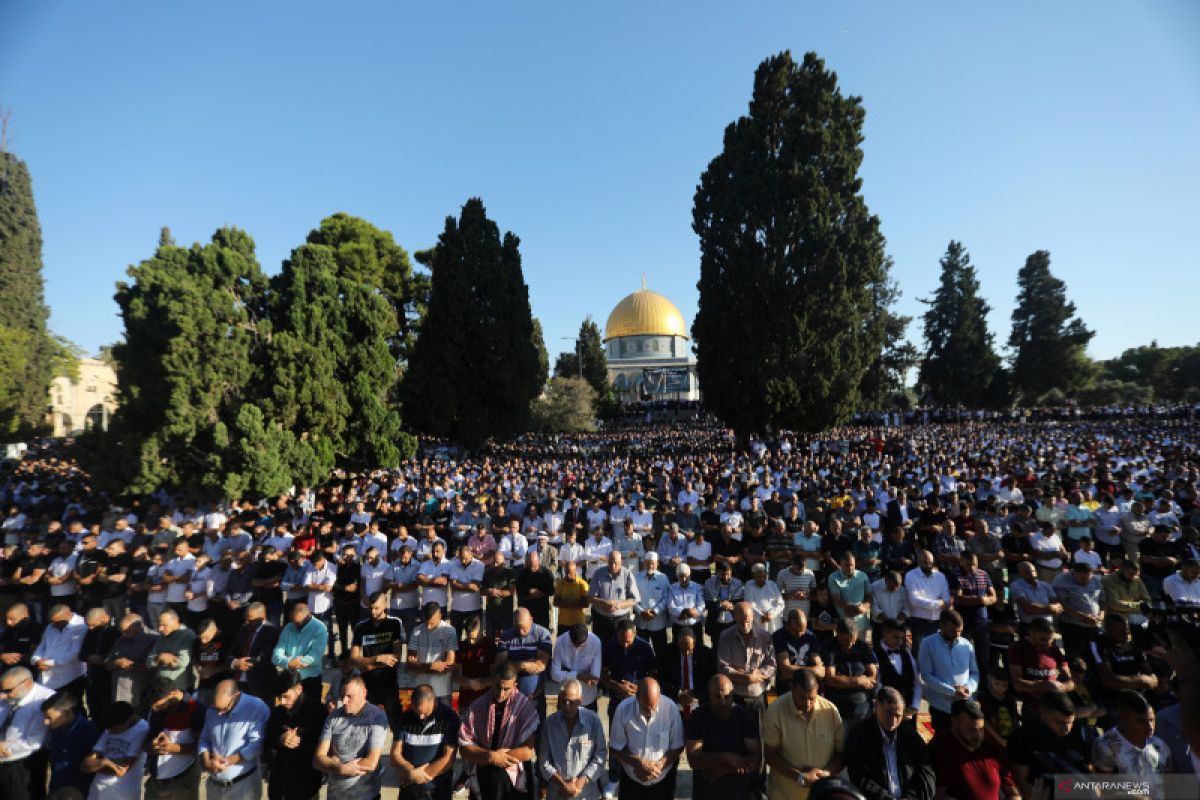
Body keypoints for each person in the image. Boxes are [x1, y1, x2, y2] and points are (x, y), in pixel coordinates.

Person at [458, 662, 540, 800]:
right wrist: (490, 756)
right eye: (497, 687)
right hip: (484, 768)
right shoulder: (477, 707)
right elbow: (464, 749)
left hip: (514, 772)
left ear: (515, 686)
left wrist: (499, 757)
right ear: (492, 681)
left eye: (506, 689)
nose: (501, 693)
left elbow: (527, 752)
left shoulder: (524, 707)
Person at [761, 669, 845, 800]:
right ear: (792, 688)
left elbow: (841, 754)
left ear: (818, 689)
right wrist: (799, 776)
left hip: (821, 795)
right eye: (802, 697)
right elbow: (769, 755)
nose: (807, 704)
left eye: (811, 698)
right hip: (784, 796)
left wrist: (825, 774)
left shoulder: (831, 711)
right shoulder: (775, 711)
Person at [845, 687, 935, 800]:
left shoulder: (911, 737)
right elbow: (859, 777)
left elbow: (926, 773)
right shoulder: (859, 736)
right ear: (876, 707)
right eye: (888, 713)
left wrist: (910, 797)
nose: (893, 721)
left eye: (898, 716)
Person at [683, 675, 760, 800]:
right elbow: (693, 759)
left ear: (732, 695)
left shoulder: (744, 717)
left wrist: (724, 769)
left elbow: (755, 760)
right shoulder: (697, 717)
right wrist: (726, 757)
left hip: (738, 793)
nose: (723, 702)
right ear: (709, 695)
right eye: (718, 697)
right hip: (706, 793)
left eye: (727, 697)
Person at [314, 674, 389, 800]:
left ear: (364, 693)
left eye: (349, 696)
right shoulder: (333, 717)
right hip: (335, 796)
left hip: (366, 796)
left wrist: (331, 763)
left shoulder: (376, 717)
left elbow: (371, 762)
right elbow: (318, 759)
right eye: (342, 696)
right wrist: (340, 768)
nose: (344, 701)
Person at [1006, 690, 1093, 799]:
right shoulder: (1023, 738)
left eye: (1070, 722)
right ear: (1043, 714)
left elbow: (1089, 773)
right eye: (1060, 722)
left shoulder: (1079, 732)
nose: (1067, 728)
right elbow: (1022, 783)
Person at [609, 677, 685, 800]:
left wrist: (660, 765)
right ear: (637, 697)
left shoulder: (671, 708)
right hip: (631, 781)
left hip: (662, 781)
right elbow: (614, 748)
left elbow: (678, 746)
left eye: (654, 707)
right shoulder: (623, 709)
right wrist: (637, 763)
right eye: (645, 708)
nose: (650, 711)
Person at [929, 699, 1020, 800]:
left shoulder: (991, 748)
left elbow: (1013, 794)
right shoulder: (940, 748)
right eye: (971, 730)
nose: (978, 736)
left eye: (981, 729)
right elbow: (935, 794)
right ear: (955, 723)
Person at [198, 678, 271, 800]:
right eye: (217, 709)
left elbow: (257, 745)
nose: (219, 714)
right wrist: (206, 760)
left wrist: (227, 761)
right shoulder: (213, 708)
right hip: (214, 786)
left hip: (243, 786)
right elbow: (204, 739)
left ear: (236, 695)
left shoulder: (256, 707)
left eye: (224, 709)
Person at [538, 679, 608, 800]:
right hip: (557, 793)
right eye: (563, 701)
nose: (567, 706)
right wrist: (563, 785)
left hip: (587, 794)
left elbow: (600, 756)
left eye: (571, 701)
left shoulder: (593, 721)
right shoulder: (549, 723)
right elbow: (543, 761)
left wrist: (579, 784)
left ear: (580, 700)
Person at [390, 683, 460, 800]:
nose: (421, 717)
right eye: (417, 712)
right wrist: (410, 772)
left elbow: (448, 758)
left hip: (437, 791)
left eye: (425, 713)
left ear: (433, 702)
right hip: (409, 792)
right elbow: (395, 754)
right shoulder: (405, 718)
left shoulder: (450, 719)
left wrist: (417, 777)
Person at [262, 672, 326, 800]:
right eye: (280, 697)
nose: (283, 702)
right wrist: (280, 739)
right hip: (278, 786)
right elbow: (266, 744)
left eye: (286, 696)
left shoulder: (318, 711)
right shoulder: (277, 712)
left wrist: (298, 743)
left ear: (299, 689)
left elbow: (324, 750)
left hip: (305, 786)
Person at [917, 609, 978, 733]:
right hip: (940, 706)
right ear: (941, 625)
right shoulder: (928, 644)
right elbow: (926, 675)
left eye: (960, 631)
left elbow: (974, 672)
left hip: (964, 703)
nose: (957, 635)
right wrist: (952, 691)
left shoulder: (966, 645)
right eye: (953, 631)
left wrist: (968, 689)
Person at [143, 677, 205, 800]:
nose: (155, 710)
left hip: (183, 781)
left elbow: (203, 746)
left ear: (172, 694)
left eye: (158, 706)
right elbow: (145, 742)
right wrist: (151, 746)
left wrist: (173, 748)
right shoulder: (154, 710)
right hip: (155, 780)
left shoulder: (195, 709)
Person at [1091, 689, 1173, 780]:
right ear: (1125, 719)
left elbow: (1171, 781)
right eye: (1142, 721)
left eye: (1152, 720)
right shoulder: (1106, 746)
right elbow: (1105, 786)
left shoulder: (1159, 744)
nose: (1150, 727)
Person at [80, 700, 150, 799]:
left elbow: (122, 768)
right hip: (97, 791)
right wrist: (104, 762)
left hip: (122, 793)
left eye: (116, 730)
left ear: (129, 720)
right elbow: (85, 765)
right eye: (110, 730)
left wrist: (96, 765)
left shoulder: (143, 729)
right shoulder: (110, 728)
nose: (111, 733)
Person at [716, 601, 776, 716]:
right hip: (734, 696)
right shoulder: (725, 636)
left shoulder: (765, 637)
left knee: (758, 732)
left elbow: (772, 665)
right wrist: (747, 678)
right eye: (741, 622)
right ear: (734, 618)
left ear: (753, 616)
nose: (745, 626)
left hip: (758, 695)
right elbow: (722, 668)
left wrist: (758, 673)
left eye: (748, 622)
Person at [1007, 617, 1073, 720]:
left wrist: (1061, 687)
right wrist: (1045, 685)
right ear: (1031, 633)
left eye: (1050, 639)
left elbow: (1071, 681)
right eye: (1042, 639)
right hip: (1032, 709)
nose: (1047, 643)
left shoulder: (1054, 649)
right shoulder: (1018, 648)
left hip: (1055, 708)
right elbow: (1017, 684)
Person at [349, 590, 405, 711]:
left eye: (376, 608)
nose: (373, 612)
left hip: (389, 684)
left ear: (385, 605)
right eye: (370, 608)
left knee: (395, 722)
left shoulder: (395, 623)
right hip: (367, 685)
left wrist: (371, 666)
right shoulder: (361, 627)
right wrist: (377, 659)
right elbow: (353, 660)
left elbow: (397, 658)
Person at [822, 617, 879, 734]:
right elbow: (830, 679)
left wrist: (843, 681)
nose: (850, 644)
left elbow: (872, 675)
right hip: (838, 705)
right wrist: (859, 681)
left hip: (862, 706)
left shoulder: (862, 646)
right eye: (844, 641)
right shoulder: (829, 647)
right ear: (837, 634)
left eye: (853, 640)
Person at [496, 607, 553, 718]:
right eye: (517, 628)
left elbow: (541, 665)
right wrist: (525, 665)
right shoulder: (506, 635)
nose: (521, 632)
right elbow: (501, 666)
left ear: (531, 620)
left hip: (535, 696)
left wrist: (515, 665)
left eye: (524, 628)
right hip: (511, 697)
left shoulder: (542, 634)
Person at [41, 689, 100, 796]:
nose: (45, 722)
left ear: (67, 712)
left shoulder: (87, 730)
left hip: (78, 791)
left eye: (49, 717)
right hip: (57, 789)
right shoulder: (56, 728)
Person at [271, 601, 328, 698]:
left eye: (298, 623)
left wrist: (295, 663)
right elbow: (275, 656)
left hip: (310, 679)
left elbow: (315, 657)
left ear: (308, 616)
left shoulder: (320, 628)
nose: (295, 625)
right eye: (293, 622)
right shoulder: (289, 627)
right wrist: (289, 663)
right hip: (289, 677)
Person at [406, 602, 459, 706]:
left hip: (442, 691)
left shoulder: (450, 631)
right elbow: (410, 664)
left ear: (440, 616)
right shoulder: (416, 631)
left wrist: (421, 667)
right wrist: (431, 666)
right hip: (422, 690)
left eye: (432, 623)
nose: (429, 627)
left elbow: (448, 665)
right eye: (426, 623)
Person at [29, 603, 87, 695]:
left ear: (68, 615)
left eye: (57, 622)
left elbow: (75, 652)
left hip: (69, 677)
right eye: (52, 622)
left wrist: (49, 663)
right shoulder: (51, 626)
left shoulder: (81, 625)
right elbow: (42, 645)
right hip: (46, 676)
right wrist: (36, 660)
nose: (54, 625)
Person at [656, 626, 714, 717]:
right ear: (677, 643)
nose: (686, 653)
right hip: (674, 700)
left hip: (699, 701)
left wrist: (695, 694)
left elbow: (710, 680)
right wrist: (678, 694)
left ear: (694, 643)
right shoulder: (666, 653)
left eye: (689, 649)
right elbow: (661, 679)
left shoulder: (705, 654)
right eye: (682, 650)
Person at [1051, 562, 1104, 661]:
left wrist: (1101, 616)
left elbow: (1102, 601)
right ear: (1073, 573)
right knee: (1074, 657)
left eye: (1088, 578)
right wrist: (1082, 617)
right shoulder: (1061, 581)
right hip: (1072, 626)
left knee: (1094, 656)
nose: (1085, 581)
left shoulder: (1096, 580)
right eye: (1082, 579)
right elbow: (1061, 604)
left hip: (1093, 625)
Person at [227, 602, 281, 701]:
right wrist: (235, 663)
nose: (247, 622)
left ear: (262, 618)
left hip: (259, 683)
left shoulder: (271, 632)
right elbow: (231, 652)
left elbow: (265, 657)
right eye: (246, 619)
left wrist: (245, 664)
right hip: (239, 681)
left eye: (251, 620)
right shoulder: (244, 629)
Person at [904, 551, 951, 657]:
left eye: (930, 562)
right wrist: (938, 603)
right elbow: (914, 600)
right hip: (919, 621)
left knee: (936, 653)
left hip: (937, 621)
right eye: (925, 562)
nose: (928, 565)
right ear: (918, 561)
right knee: (918, 652)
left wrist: (931, 603)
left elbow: (947, 599)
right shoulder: (911, 576)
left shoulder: (940, 576)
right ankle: (917, 674)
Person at [588, 551, 640, 645]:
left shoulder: (627, 574)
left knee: (620, 647)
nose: (613, 565)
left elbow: (634, 600)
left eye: (616, 563)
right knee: (601, 647)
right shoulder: (598, 573)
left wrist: (619, 605)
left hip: (621, 619)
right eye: (610, 562)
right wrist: (604, 603)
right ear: (607, 561)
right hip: (601, 619)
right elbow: (590, 597)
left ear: (621, 562)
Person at [550, 623, 603, 712]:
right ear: (569, 637)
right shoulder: (560, 641)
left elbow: (594, 677)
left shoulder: (596, 642)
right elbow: (554, 674)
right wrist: (579, 676)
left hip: (587, 698)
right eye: (574, 644)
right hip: (566, 698)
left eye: (581, 645)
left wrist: (567, 673)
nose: (577, 647)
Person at [147, 608, 196, 692]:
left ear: (176, 621)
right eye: (159, 625)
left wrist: (162, 659)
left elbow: (182, 662)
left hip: (179, 687)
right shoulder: (160, 637)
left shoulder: (188, 635)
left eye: (164, 625)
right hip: (160, 685)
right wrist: (160, 657)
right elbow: (149, 662)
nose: (160, 629)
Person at [455, 615, 498, 711]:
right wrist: (469, 682)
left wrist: (482, 683)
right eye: (468, 637)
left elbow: (496, 676)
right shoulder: (461, 647)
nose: (471, 642)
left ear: (481, 631)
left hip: (486, 702)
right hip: (466, 702)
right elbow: (455, 675)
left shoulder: (490, 647)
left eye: (474, 638)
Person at [449, 544, 486, 635]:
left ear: (471, 555)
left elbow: (474, 587)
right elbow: (452, 585)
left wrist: (459, 584)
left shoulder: (479, 565)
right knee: (455, 639)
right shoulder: (454, 564)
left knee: (474, 637)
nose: (463, 561)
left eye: (465, 558)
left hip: (474, 608)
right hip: (456, 608)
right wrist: (468, 586)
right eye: (461, 558)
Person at [515, 550, 555, 630]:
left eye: (534, 566)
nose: (532, 568)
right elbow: (519, 594)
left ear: (538, 561)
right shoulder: (522, 574)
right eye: (530, 565)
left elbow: (552, 591)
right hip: (527, 612)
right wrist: (530, 594)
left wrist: (540, 593)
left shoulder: (546, 573)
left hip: (542, 611)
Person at [743, 563, 785, 633]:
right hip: (758, 622)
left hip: (774, 622)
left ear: (766, 574)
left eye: (763, 576)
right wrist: (761, 616)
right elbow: (749, 604)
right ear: (753, 576)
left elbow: (781, 604)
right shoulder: (749, 585)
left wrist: (771, 615)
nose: (762, 579)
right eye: (758, 577)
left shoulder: (772, 584)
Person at [552, 558, 590, 633]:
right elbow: (555, 602)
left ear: (575, 571)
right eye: (566, 572)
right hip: (563, 623)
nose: (568, 575)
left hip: (578, 622)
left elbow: (586, 603)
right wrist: (571, 602)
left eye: (570, 572)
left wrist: (569, 602)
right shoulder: (560, 584)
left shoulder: (582, 584)